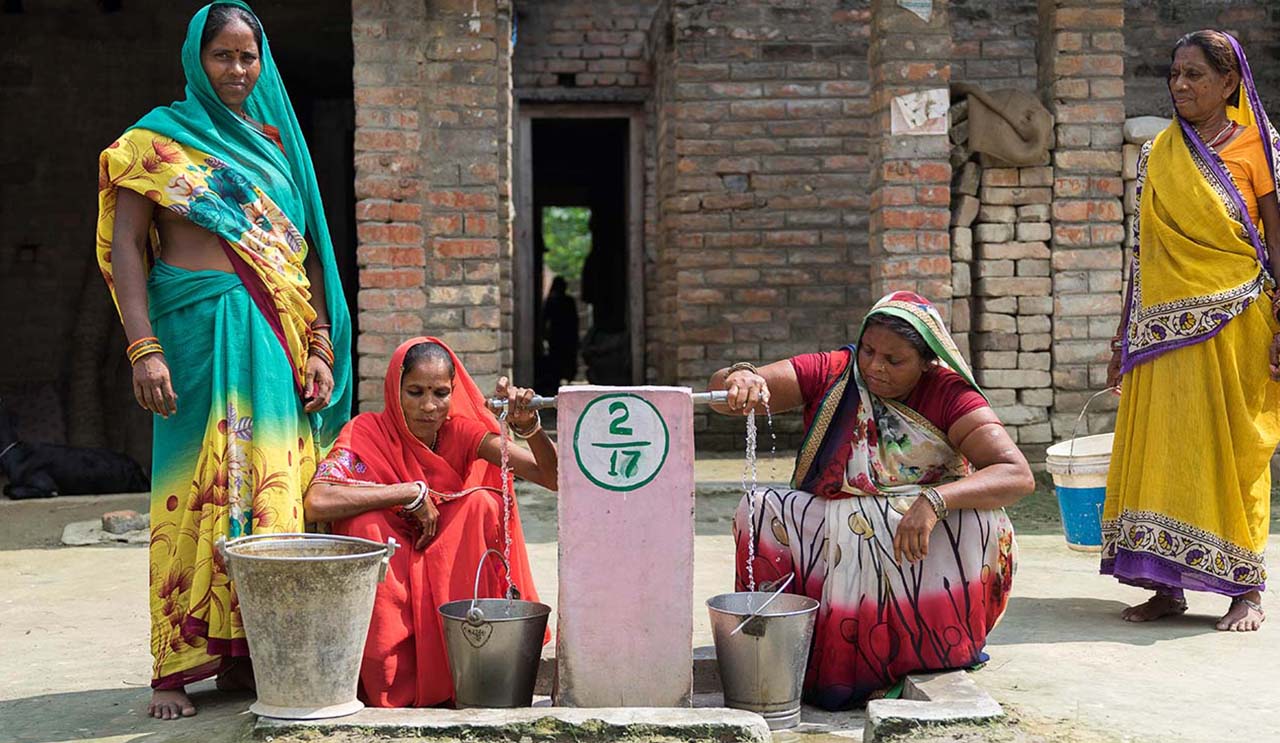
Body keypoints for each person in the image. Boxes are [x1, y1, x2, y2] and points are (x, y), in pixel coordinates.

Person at [94, 2, 352, 719]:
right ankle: (172, 669)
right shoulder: (154, 144)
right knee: (187, 491)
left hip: (274, 341)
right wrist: (141, 346)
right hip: (189, 335)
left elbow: (300, 262)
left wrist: (319, 349)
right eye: (223, 56)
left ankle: (248, 655)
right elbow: (125, 250)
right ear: (194, 60)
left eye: (249, 57)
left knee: (272, 488)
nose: (238, 70)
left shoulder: (275, 149)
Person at [708, 291, 1034, 709]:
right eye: (868, 350)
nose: (875, 367)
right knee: (761, 510)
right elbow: (722, 394)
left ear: (927, 361)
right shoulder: (836, 372)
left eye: (894, 361)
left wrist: (934, 501)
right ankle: (795, 654)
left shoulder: (948, 394)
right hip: (831, 523)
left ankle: (920, 654)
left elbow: (1016, 474)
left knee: (981, 521)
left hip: (918, 537)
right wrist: (741, 378)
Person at [1103, 30, 1279, 633]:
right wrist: (1123, 334)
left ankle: (1245, 590)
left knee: (1235, 455)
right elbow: (1142, 254)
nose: (1180, 86)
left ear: (1229, 83)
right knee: (1165, 452)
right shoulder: (1159, 152)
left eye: (1195, 75)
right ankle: (1164, 586)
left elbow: (1276, 245)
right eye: (1174, 74)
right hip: (1160, 333)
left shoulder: (1262, 146)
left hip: (1239, 325)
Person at [304, 338, 554, 708]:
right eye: (415, 392)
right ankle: (387, 680)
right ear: (395, 389)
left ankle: (472, 667)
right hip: (397, 565)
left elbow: (553, 478)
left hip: (446, 563)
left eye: (440, 393)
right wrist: (406, 493)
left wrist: (530, 427)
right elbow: (317, 501)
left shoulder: (462, 432)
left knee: (483, 504)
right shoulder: (366, 433)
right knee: (365, 524)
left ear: (453, 393)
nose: (429, 406)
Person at [541, 276, 579, 387]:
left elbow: (544, 320)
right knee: (563, 360)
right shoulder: (566, 301)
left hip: (557, 336)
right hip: (563, 336)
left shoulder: (552, 301)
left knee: (559, 360)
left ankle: (559, 381)